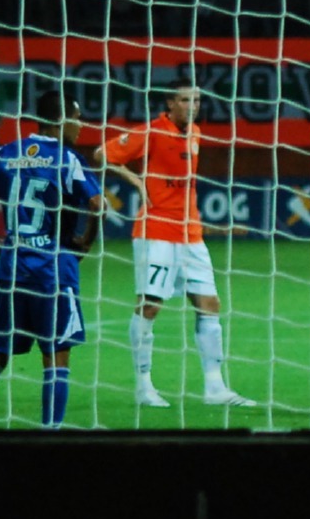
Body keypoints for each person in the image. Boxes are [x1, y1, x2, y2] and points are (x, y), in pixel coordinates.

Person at [0, 90, 109, 431]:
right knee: (56, 355)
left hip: (13, 269)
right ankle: (50, 431)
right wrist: (85, 242)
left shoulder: (5, 153)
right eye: (77, 119)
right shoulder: (67, 158)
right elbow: (99, 205)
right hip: (54, 271)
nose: (80, 126)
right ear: (62, 120)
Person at [96, 83, 255, 409]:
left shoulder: (195, 132)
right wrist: (136, 180)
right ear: (170, 103)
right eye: (185, 100)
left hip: (190, 235)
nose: (193, 105)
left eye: (197, 100)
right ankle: (144, 386)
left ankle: (215, 387)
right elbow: (102, 155)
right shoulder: (153, 131)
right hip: (155, 232)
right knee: (150, 306)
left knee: (209, 303)